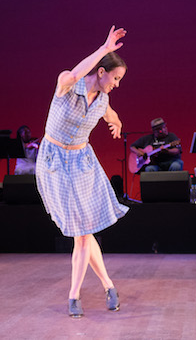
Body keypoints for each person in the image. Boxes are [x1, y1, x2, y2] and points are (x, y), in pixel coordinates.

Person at [36, 26, 129, 317]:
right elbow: (76, 75)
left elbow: (110, 113)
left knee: (84, 233)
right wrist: (104, 48)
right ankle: (107, 287)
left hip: (82, 163)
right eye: (114, 78)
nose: (116, 84)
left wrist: (117, 124)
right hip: (54, 163)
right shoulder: (66, 83)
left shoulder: (102, 100)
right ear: (101, 72)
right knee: (82, 232)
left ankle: (76, 296)